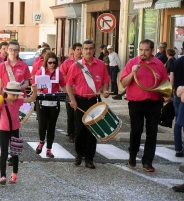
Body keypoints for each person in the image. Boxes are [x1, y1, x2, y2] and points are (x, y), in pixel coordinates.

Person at [120, 39, 169, 172]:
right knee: (136, 130)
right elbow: (123, 83)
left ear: (152, 51)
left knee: (152, 133)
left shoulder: (159, 64)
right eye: (141, 50)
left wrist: (167, 94)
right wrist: (133, 72)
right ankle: (132, 156)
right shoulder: (132, 63)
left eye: (146, 50)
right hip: (136, 102)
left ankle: (148, 162)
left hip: (154, 103)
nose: (143, 53)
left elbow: (165, 83)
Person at [66, 39, 110, 169]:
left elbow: (105, 81)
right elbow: (68, 85)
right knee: (79, 129)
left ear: (94, 50)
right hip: (80, 101)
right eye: (86, 49)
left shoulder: (101, 65)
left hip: (95, 101)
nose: (88, 51)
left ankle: (89, 158)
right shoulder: (76, 66)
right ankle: (79, 154)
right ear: (82, 50)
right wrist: (72, 100)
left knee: (92, 131)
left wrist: (105, 90)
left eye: (91, 48)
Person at [0, 81, 37, 185]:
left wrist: (35, 91)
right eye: (13, 95)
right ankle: (3, 176)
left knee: (15, 153)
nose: (15, 97)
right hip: (3, 131)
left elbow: (31, 99)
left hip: (15, 130)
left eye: (17, 95)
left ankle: (14, 174)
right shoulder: (2, 102)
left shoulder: (19, 101)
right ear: (7, 93)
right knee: (4, 153)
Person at [33, 52, 66, 157]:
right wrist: (36, 89)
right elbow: (34, 87)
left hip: (54, 103)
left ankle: (49, 149)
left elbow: (63, 86)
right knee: (42, 125)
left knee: (51, 126)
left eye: (54, 63)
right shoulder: (40, 72)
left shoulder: (58, 73)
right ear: (46, 62)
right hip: (42, 103)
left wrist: (67, 96)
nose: (52, 64)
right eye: (50, 62)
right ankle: (41, 141)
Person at [60, 43, 82, 143]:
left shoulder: (83, 62)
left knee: (79, 113)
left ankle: (78, 133)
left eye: (81, 49)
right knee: (71, 114)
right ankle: (71, 133)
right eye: (78, 49)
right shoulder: (67, 62)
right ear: (73, 51)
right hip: (70, 91)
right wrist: (70, 80)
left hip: (81, 92)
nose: (80, 51)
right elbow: (61, 75)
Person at [170, 53, 184, 157]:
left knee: (178, 122)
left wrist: (170, 93)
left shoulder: (176, 62)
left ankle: (178, 149)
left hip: (178, 94)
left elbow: (172, 79)